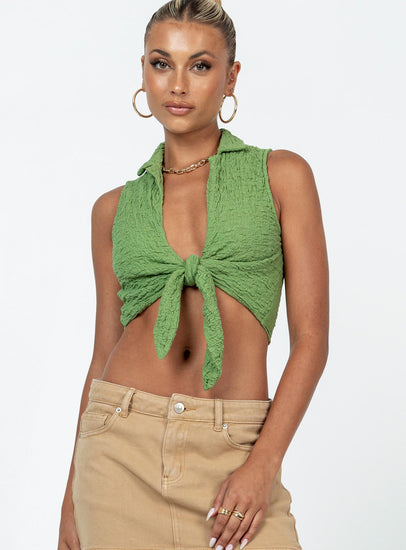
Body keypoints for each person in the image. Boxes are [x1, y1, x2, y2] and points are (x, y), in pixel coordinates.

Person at [57, 1, 329, 549]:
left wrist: (263, 465)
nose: (177, 84)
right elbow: (103, 351)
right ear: (143, 72)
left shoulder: (282, 176)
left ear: (231, 77)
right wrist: (70, 500)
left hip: (237, 446)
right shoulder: (112, 209)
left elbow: (311, 341)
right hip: (117, 454)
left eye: (200, 66)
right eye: (162, 63)